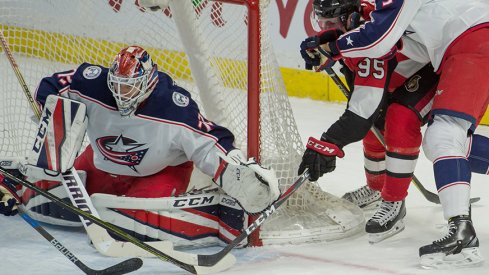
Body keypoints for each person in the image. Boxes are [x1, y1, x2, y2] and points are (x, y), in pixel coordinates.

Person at [0, 46, 280, 244]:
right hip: (102, 162)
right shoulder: (92, 83)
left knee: (135, 222)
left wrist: (235, 167)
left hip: (161, 170)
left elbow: (210, 139)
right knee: (53, 201)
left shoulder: (173, 106)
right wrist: (48, 107)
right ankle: (10, 179)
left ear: (148, 81)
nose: (121, 93)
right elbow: (51, 85)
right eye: (117, 84)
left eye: (129, 87)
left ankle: (217, 210)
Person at [300, 0, 489, 268]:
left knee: (442, 137)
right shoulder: (366, 16)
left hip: (473, 39)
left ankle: (462, 234)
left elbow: (377, 39)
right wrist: (331, 42)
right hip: (458, 44)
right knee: (444, 140)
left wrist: (331, 48)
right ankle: (460, 231)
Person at [303, 0, 439, 243]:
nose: (325, 26)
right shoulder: (356, 21)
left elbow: (361, 112)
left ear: (350, 18)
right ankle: (377, 189)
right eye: (321, 21)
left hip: (432, 69)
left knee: (399, 119)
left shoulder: (371, 39)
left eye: (332, 22)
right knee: (375, 122)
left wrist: (329, 143)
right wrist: (324, 43)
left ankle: (394, 201)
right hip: (401, 71)